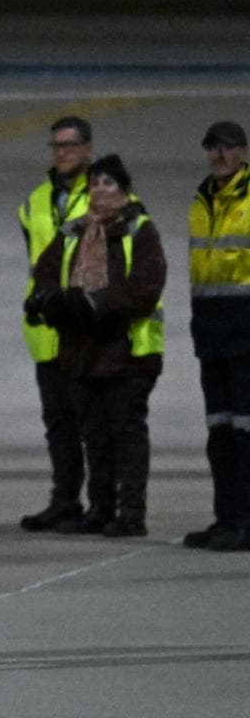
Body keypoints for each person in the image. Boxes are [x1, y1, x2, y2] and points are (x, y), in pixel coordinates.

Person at [27, 155, 165, 537]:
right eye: (95, 185)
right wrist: (47, 300)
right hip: (83, 352)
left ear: (124, 190)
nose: (100, 190)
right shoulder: (74, 230)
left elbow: (145, 288)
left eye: (109, 184)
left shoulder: (139, 230)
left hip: (127, 352)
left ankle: (131, 512)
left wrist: (93, 303)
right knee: (96, 438)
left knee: (126, 435)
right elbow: (46, 270)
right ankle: (101, 508)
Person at [18, 116, 96, 532]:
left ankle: (106, 504)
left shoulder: (104, 195)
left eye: (69, 145)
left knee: (95, 424)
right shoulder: (34, 201)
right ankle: (65, 499)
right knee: (59, 425)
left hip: (86, 328)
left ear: (87, 149)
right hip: (47, 331)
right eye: (56, 146)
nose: (61, 153)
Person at [184, 121, 250, 551]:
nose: (219, 155)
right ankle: (227, 516)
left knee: (245, 433)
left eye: (227, 148)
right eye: (213, 147)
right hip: (211, 330)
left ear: (242, 152)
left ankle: (245, 519)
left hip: (246, 329)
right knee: (220, 433)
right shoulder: (202, 200)